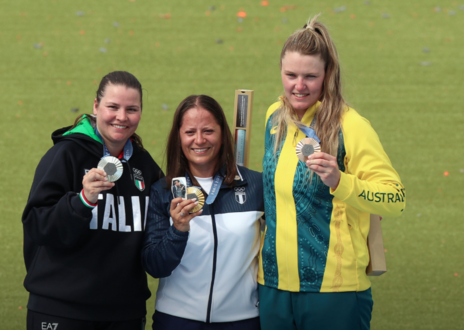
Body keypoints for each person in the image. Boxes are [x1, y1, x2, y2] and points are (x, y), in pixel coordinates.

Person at [258, 15, 406, 330]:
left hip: (334, 292)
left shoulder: (351, 126)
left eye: (310, 77)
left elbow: (395, 198)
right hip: (272, 285)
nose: (299, 86)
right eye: (290, 75)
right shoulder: (274, 118)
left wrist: (341, 182)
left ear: (327, 75)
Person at [22, 71, 162, 330]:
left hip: (124, 314)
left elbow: (157, 231)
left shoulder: (145, 166)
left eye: (131, 109)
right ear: (96, 106)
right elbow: (36, 226)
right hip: (61, 310)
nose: (122, 117)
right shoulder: (65, 155)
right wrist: (82, 201)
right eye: (113, 107)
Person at [142, 95, 264, 330]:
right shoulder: (164, 191)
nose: (199, 140)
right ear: (178, 136)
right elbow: (155, 266)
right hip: (176, 321)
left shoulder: (256, 185)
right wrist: (177, 230)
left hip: (242, 321)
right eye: (190, 132)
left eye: (208, 130)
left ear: (222, 133)